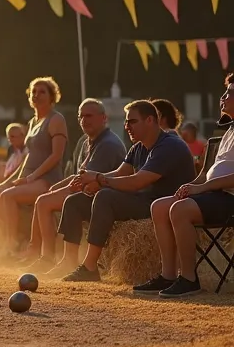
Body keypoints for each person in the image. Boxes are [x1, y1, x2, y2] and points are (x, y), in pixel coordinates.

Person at [56, 100, 195, 282]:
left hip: (162, 204)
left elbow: (136, 182)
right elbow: (120, 173)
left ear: (150, 120)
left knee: (105, 197)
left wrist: (99, 180)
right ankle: (69, 262)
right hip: (143, 199)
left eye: (132, 121)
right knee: (75, 201)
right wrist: (92, 180)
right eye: (126, 122)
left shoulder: (169, 145)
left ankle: (89, 267)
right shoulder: (138, 146)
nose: (127, 126)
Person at [138, 74, 234, 297]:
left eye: (229, 93)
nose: (223, 97)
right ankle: (168, 275)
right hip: (214, 195)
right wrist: (190, 187)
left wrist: (203, 188)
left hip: (229, 198)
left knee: (179, 210)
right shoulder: (229, 131)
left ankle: (189, 278)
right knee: (160, 206)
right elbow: (204, 176)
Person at [25, 99, 127, 273]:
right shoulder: (89, 141)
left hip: (104, 198)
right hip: (92, 193)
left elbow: (86, 182)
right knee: (45, 198)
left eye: (89, 116)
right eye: (81, 117)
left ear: (104, 118)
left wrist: (56, 193)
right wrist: (56, 188)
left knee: (45, 202)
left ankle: (48, 258)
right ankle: (43, 255)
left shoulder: (108, 144)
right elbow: (80, 175)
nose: (84, 120)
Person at [0, 77, 68, 254]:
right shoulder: (32, 122)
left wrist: (32, 177)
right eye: (34, 92)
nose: (37, 95)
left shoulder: (56, 120)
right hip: (29, 177)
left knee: (7, 196)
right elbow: (28, 157)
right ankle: (17, 236)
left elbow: (56, 156)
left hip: (47, 179)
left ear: (52, 96)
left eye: (42, 92)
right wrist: (11, 179)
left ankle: (12, 244)